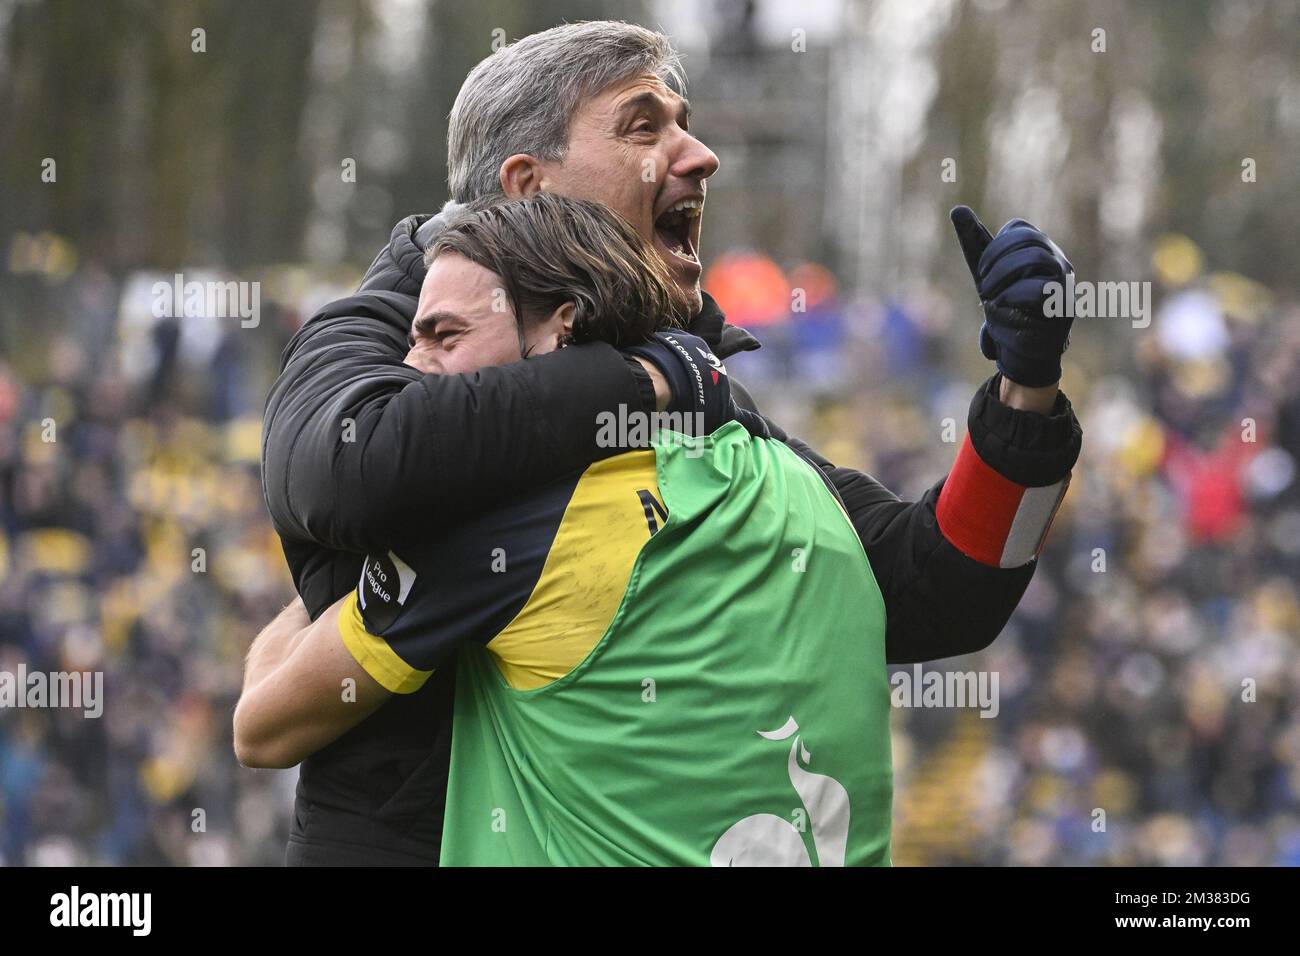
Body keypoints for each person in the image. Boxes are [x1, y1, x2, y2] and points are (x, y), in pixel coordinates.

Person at [255, 20, 1082, 865]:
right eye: (643, 127)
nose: (701, 155)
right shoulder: (394, 322)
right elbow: (355, 466)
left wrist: (1027, 394)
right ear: (526, 186)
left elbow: (938, 590)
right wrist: (649, 382)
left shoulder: (700, 391)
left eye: (683, 121)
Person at [239, 192, 894, 866]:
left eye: (445, 335)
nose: (409, 367)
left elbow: (261, 728)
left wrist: (354, 564)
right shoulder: (807, 491)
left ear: (560, 331)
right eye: (411, 338)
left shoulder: (506, 532)